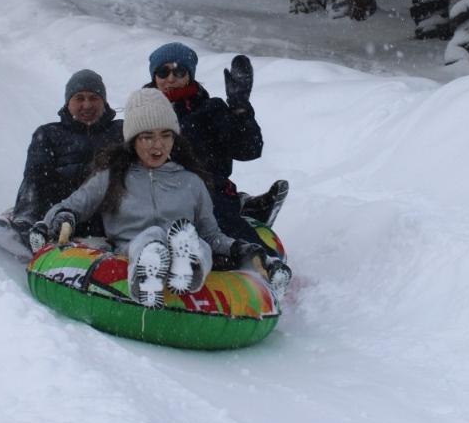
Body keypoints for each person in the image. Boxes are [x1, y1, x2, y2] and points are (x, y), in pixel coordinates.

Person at [29, 88, 286, 308]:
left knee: (199, 242)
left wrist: (239, 248)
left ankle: (187, 265)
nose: (158, 145)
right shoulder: (113, 176)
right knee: (152, 236)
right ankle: (149, 270)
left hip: (185, 247)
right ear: (133, 140)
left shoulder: (191, 182)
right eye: (147, 137)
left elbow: (211, 233)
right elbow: (72, 205)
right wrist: (62, 219)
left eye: (166, 135)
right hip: (129, 249)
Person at [144, 42, 288, 244]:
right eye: (163, 72)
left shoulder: (210, 110)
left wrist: (240, 107)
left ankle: (258, 253)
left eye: (179, 71)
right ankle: (247, 206)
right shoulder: (142, 111)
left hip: (210, 194)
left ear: (189, 75)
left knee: (219, 224)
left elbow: (249, 149)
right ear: (154, 77)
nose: (170, 78)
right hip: (155, 192)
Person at [10, 69, 123, 242]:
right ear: (68, 103)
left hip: (108, 219)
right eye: (79, 98)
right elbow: (35, 179)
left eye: (94, 98)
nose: (87, 105)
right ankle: (28, 227)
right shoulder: (49, 134)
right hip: (59, 214)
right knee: (38, 174)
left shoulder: (120, 131)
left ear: (104, 102)